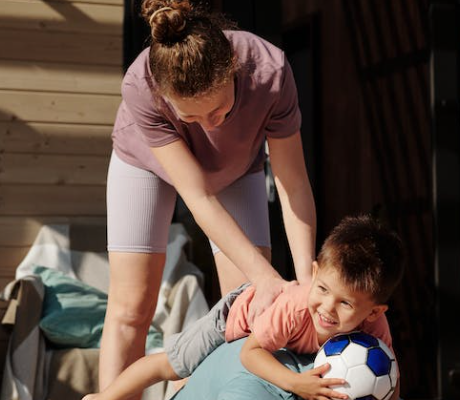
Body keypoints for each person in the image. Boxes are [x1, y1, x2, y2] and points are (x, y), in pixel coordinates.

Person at [100, 0, 317, 393]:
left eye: (216, 112)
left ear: (233, 69)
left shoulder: (270, 72)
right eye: (191, 118)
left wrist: (304, 284)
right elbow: (197, 197)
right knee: (132, 306)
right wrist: (267, 276)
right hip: (145, 163)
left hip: (234, 166)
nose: (206, 126)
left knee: (247, 309)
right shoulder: (140, 85)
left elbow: (293, 184)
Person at [83, 215, 404, 400]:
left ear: (374, 312)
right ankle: (104, 397)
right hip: (240, 314)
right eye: (321, 290)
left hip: (266, 332)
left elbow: (389, 377)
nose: (327, 309)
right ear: (315, 272)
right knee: (172, 365)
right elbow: (250, 353)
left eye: (345, 303)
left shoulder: (374, 332)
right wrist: (295, 383)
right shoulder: (294, 309)